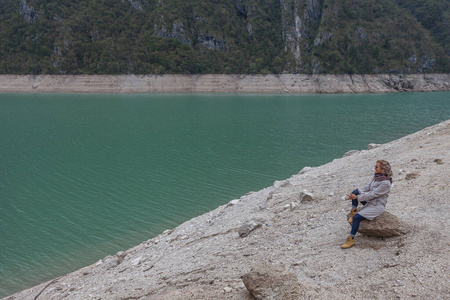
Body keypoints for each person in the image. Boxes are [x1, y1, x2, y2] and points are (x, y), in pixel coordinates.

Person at [341, 160, 393, 249]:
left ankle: (351, 240)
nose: (375, 168)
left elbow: (373, 194)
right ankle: (354, 210)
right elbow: (368, 187)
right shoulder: (376, 176)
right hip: (370, 201)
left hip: (376, 206)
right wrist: (356, 192)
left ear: (383, 169)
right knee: (356, 191)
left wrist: (357, 198)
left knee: (356, 218)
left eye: (377, 167)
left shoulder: (385, 183)